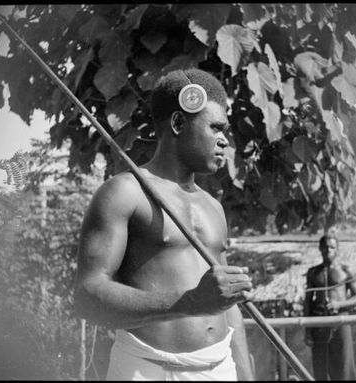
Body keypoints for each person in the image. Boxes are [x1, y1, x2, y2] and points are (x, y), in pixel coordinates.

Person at [74, 68, 255, 381]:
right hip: (147, 369)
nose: (225, 139)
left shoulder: (213, 207)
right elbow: (88, 295)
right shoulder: (125, 192)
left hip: (219, 368)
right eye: (215, 127)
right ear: (178, 123)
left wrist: (247, 376)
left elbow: (227, 303)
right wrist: (191, 303)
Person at [304, 232, 356, 381]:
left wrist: (339, 304)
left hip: (340, 322)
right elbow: (308, 301)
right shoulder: (313, 273)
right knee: (320, 365)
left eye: (331, 247)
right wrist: (308, 331)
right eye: (325, 247)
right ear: (320, 248)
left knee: (344, 364)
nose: (328, 250)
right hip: (318, 323)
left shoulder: (345, 271)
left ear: (337, 249)